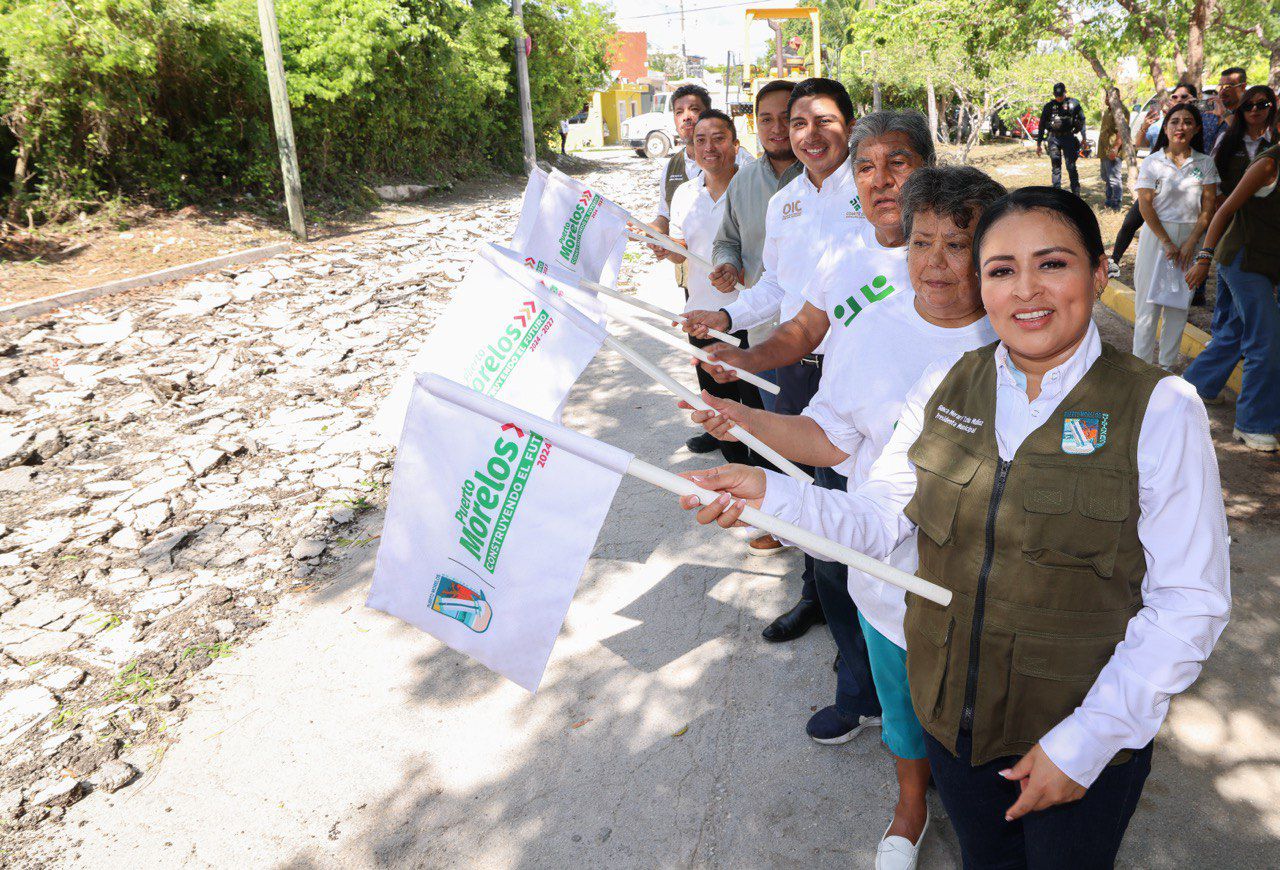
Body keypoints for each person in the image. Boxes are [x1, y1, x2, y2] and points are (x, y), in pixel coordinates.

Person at [679, 186, 1230, 870]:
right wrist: (771, 494)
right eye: (1001, 270)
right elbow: (881, 521)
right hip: (952, 724)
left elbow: (1191, 603)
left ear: (1097, 271)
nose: (1025, 290)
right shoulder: (943, 385)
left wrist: (1086, 742)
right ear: (983, 283)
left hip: (1075, 731)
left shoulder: (1161, 409)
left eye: (1051, 264)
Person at [682, 166, 1005, 869]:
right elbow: (829, 437)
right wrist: (741, 421)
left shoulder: (1019, 340)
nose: (937, 264)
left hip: (993, 593)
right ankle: (912, 803)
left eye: (959, 244)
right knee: (904, 709)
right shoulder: (871, 329)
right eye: (923, 243)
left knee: (990, 723)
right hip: (887, 575)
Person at [695, 109, 936, 741]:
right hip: (861, 467)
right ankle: (862, 698)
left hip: (946, 485)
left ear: (927, 170)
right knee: (840, 571)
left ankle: (944, 746)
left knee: (943, 617)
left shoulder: (959, 265)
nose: (881, 181)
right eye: (866, 167)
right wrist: (742, 362)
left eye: (898, 164)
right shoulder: (846, 258)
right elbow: (802, 332)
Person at [679, 77, 862, 644]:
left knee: (856, 493)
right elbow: (779, 287)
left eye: (820, 121)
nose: (805, 134)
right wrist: (727, 319)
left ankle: (870, 626)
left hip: (854, 365)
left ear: (849, 127)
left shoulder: (874, 190)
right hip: (794, 365)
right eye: (795, 123)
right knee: (799, 484)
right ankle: (819, 598)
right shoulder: (785, 203)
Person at [706, 79, 803, 557]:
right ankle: (784, 526)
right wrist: (728, 263)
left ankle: (828, 551)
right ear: (755, 124)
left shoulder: (832, 177)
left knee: (821, 445)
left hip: (823, 338)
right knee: (770, 434)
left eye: (788, 116)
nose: (777, 127)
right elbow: (728, 239)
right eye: (766, 118)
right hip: (762, 332)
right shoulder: (745, 182)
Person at [1183, 108, 1280, 451]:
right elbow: (1224, 210)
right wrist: (1204, 259)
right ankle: (1253, 424)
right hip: (1241, 260)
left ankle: (1194, 386)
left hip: (1267, 264)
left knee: (1237, 332)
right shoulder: (1268, 165)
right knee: (1266, 340)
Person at [666, 109, 759, 465]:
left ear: (735, 145)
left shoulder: (753, 189)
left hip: (750, 315)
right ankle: (738, 469)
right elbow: (680, 255)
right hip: (702, 317)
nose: (709, 147)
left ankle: (769, 477)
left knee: (755, 403)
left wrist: (741, 273)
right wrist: (668, 249)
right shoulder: (685, 194)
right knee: (720, 405)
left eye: (719, 138)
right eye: (700, 140)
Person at [1131, 103, 1218, 369]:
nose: (1181, 127)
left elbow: (1209, 207)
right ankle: (1140, 368)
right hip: (1156, 236)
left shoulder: (1204, 163)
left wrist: (1191, 242)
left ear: (1196, 129)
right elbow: (1145, 204)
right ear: (1166, 128)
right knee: (1148, 305)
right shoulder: (1153, 161)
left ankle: (1167, 367)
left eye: (1187, 122)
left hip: (1191, 237)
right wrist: (1167, 242)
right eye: (1175, 121)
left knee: (1179, 305)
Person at [645, 84, 750, 295]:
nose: (686, 117)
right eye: (679, 112)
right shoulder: (676, 174)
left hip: (748, 303)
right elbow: (667, 222)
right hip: (698, 295)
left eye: (694, 109)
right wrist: (653, 235)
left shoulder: (749, 172)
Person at [1036, 82, 1086, 194]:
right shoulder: (1049, 106)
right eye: (1056, 96)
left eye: (1061, 96)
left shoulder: (1074, 104)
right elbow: (1041, 125)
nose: (1059, 98)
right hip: (1053, 138)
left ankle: (1076, 194)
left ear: (1065, 93)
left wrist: (1084, 137)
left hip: (1068, 137)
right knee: (1056, 166)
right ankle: (1056, 193)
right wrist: (1038, 144)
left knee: (1071, 166)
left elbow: (1082, 119)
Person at [1097, 87, 1128, 210]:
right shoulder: (1108, 111)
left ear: (1118, 98)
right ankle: (1109, 201)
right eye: (1106, 96)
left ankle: (1116, 204)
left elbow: (1122, 131)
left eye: (1110, 97)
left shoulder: (1121, 111)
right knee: (1106, 177)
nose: (1107, 99)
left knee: (1114, 178)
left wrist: (1115, 148)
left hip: (1113, 152)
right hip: (1104, 151)